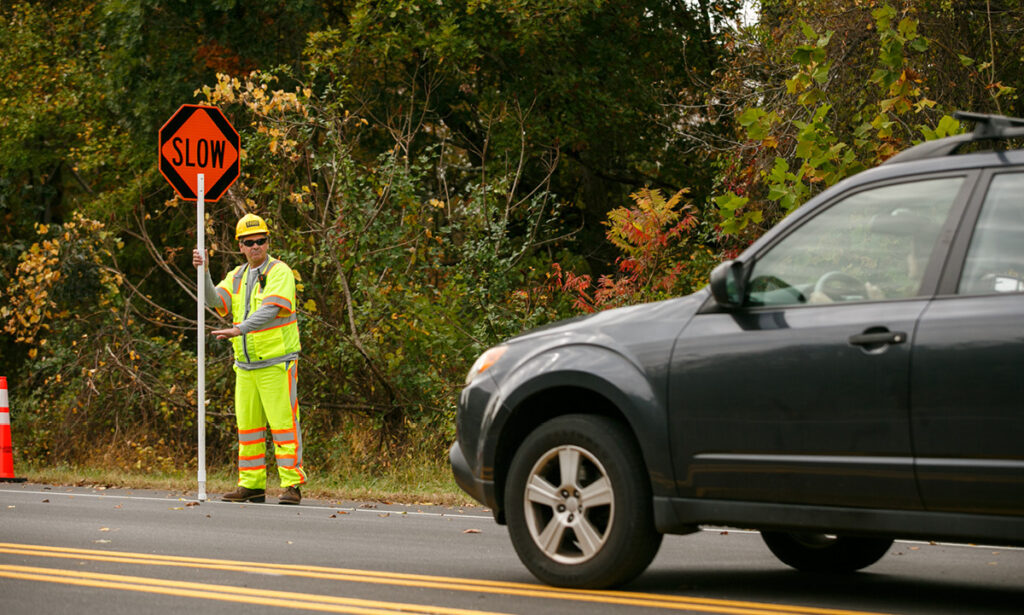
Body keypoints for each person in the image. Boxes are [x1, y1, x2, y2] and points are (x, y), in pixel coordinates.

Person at [192, 213, 305, 505]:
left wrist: (238, 328)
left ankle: (292, 485)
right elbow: (215, 301)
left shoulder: (280, 272)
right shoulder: (238, 275)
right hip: (245, 366)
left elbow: (270, 311)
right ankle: (252, 485)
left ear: (268, 242)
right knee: (249, 428)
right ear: (240, 246)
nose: (256, 246)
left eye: (261, 241)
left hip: (277, 363)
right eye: (249, 242)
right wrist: (203, 272)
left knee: (284, 427)